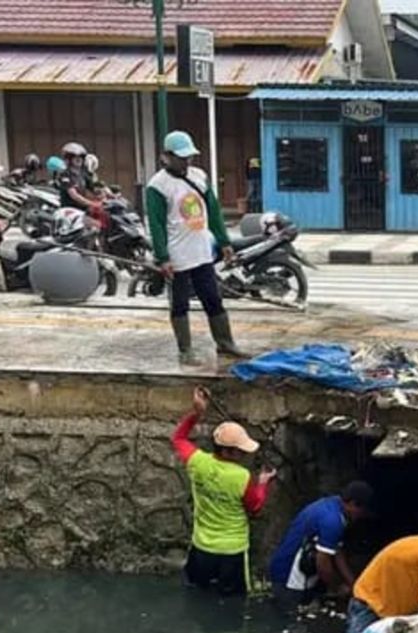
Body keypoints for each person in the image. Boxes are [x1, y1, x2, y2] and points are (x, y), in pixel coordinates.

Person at [147, 130, 247, 365]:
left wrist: (224, 242)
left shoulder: (199, 176)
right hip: (177, 255)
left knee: (213, 299)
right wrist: (163, 257)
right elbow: (157, 224)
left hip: (202, 251)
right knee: (180, 304)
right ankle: (185, 350)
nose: (186, 161)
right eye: (181, 157)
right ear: (166, 157)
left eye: (189, 157)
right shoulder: (157, 186)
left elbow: (213, 211)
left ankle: (225, 343)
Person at [172, 387, 275, 596]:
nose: (245, 454)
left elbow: (179, 438)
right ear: (228, 450)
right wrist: (263, 483)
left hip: (202, 547)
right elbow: (254, 507)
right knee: (233, 601)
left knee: (197, 594)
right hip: (232, 551)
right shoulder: (242, 477)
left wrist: (197, 413)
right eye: (240, 450)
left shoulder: (197, 462)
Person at [267, 481, 374, 609]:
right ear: (352, 504)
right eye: (361, 511)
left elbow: (337, 551)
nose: (361, 516)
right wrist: (337, 587)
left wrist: (353, 585)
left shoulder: (334, 505)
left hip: (295, 570)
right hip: (290, 577)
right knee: (293, 619)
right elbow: (323, 564)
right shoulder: (332, 521)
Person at [56, 142, 102, 214]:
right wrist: (92, 203)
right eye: (75, 157)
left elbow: (95, 187)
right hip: (69, 211)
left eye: (81, 157)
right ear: (69, 159)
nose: (79, 159)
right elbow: (74, 195)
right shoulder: (65, 175)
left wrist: (110, 195)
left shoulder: (83, 174)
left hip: (82, 209)